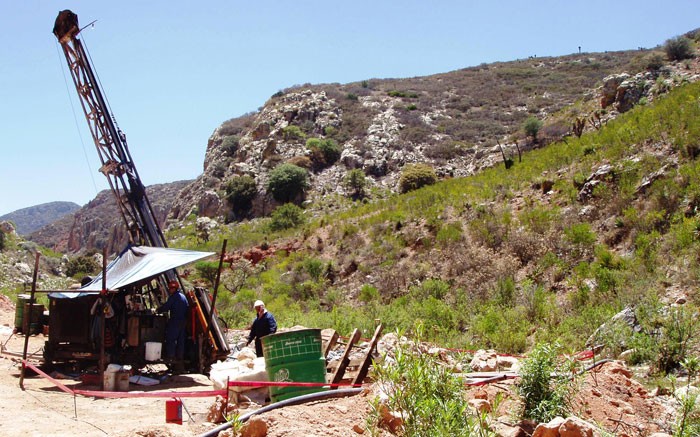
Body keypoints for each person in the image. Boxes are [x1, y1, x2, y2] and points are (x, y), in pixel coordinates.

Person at [157, 280, 189, 367]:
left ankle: (171, 357)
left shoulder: (173, 297)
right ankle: (179, 358)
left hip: (175, 321)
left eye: (170, 288)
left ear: (174, 288)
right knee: (180, 341)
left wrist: (158, 310)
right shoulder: (183, 297)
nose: (170, 290)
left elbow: (166, 307)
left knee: (170, 339)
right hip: (183, 322)